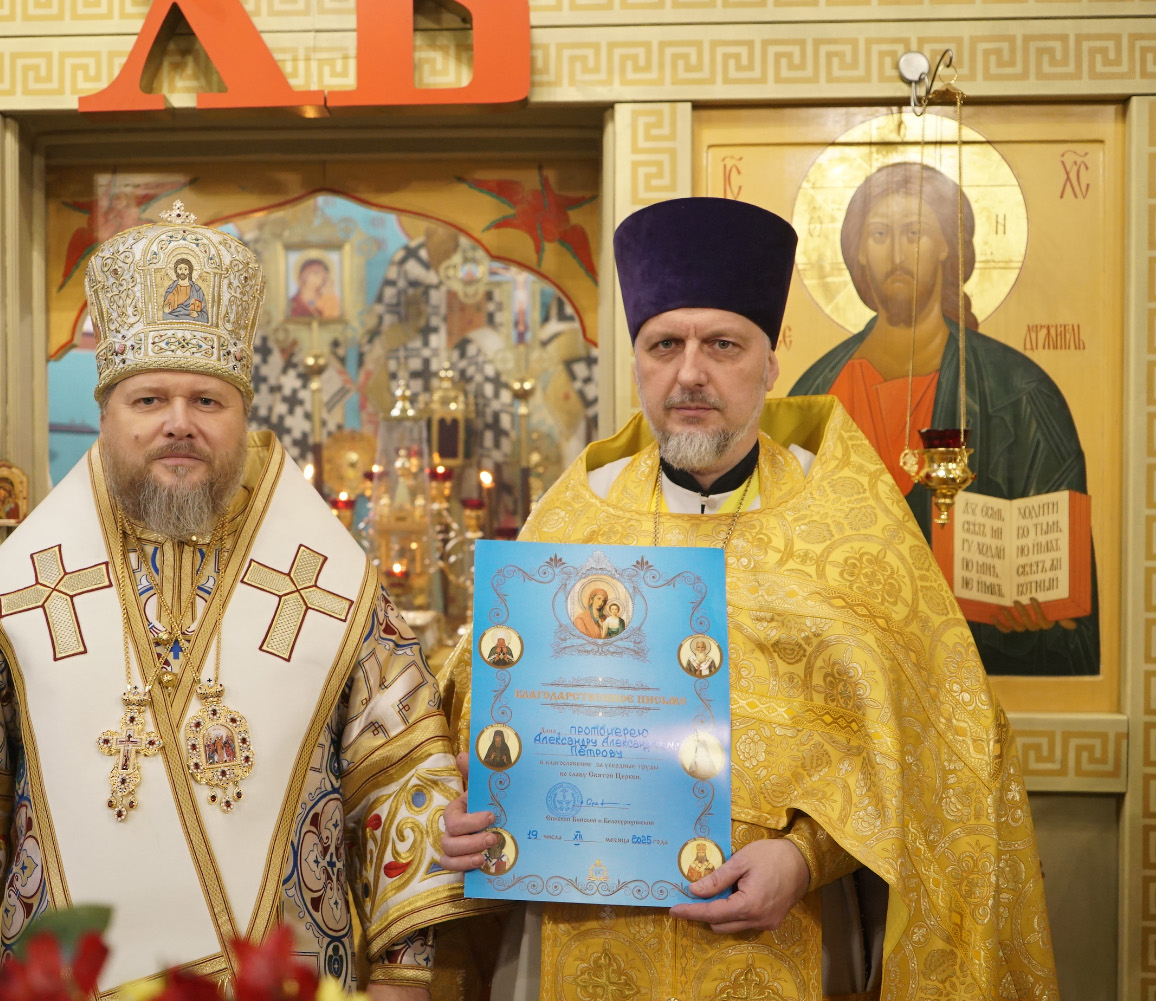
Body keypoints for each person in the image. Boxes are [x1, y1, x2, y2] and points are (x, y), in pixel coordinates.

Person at [0, 204, 490, 995]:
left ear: (244, 414)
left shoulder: (329, 580)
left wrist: (401, 975)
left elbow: (401, 783)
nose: (179, 424)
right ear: (106, 416)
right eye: (149, 401)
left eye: (207, 401)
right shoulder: (27, 583)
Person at [438, 197, 1056, 999]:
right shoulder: (574, 516)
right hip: (582, 932)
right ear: (638, 361)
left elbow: (935, 746)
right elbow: (481, 714)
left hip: (788, 937)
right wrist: (470, 801)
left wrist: (806, 857)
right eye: (665, 344)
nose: (690, 372)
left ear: (769, 363)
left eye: (722, 344)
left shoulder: (847, 520)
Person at [790, 162, 1096, 676]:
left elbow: (1070, 616)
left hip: (970, 675)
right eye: (880, 234)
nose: (897, 253)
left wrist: (1036, 619)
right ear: (857, 251)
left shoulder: (1018, 390)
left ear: (946, 248)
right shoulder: (814, 393)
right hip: (843, 674)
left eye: (915, 233)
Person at [161, 256, 208, 321]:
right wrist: (165, 310)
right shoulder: (171, 289)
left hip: (191, 322)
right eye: (180, 269)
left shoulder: (197, 290)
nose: (182, 272)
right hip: (173, 319)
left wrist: (197, 315)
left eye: (185, 269)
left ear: (189, 271)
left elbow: (205, 316)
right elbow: (164, 314)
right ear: (176, 271)